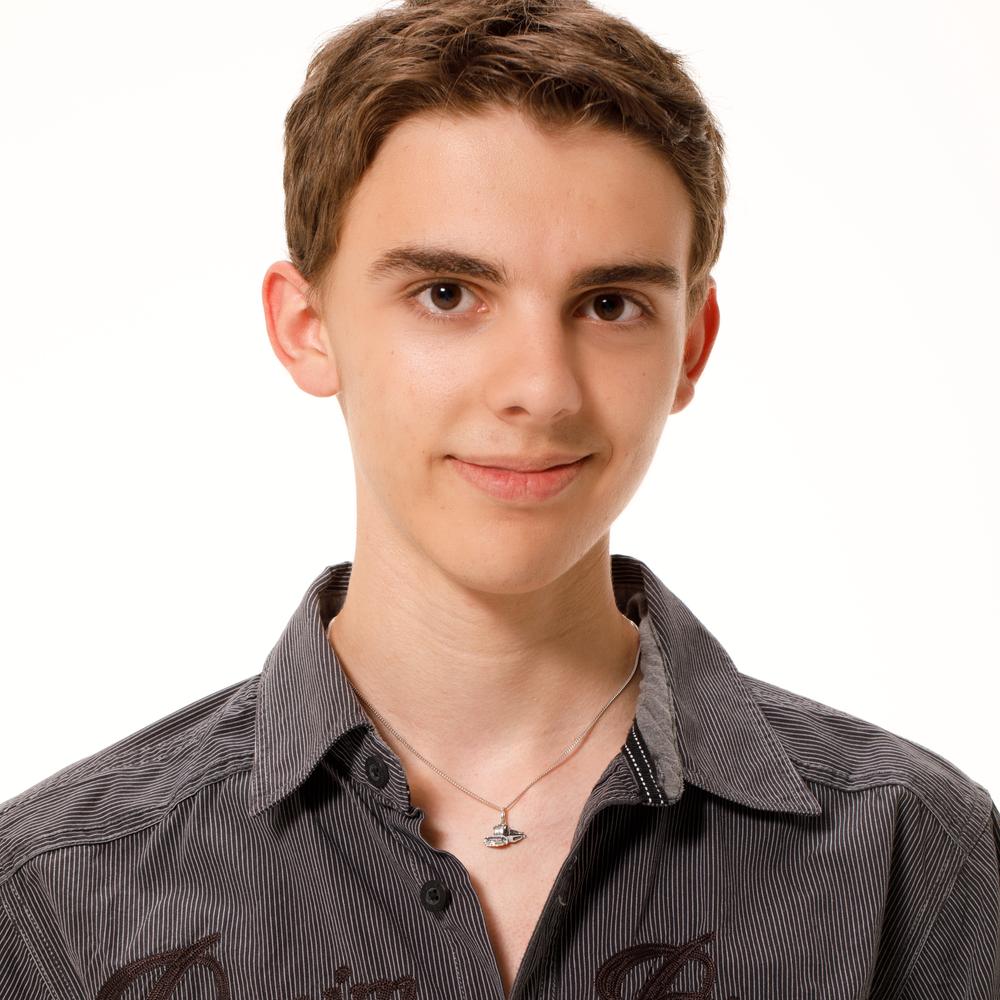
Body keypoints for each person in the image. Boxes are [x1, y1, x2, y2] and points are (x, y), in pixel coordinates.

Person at [1, 0, 997, 997]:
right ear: (307, 327)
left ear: (691, 346)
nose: (541, 388)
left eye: (609, 305)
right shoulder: (54, 894)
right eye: (447, 293)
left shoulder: (913, 853)